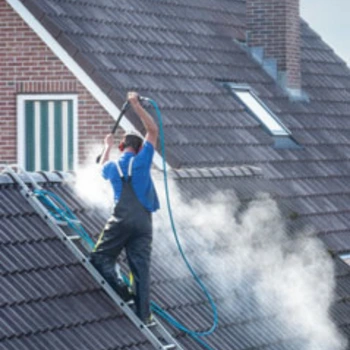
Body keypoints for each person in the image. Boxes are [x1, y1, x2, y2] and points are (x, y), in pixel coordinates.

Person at [90, 91, 159, 324]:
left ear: (122, 146)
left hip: (120, 220)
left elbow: (100, 166)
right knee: (140, 269)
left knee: (100, 257)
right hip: (143, 224)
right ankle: (143, 315)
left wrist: (106, 146)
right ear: (140, 149)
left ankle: (122, 290)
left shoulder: (113, 167)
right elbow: (153, 131)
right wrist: (137, 106)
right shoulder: (142, 161)